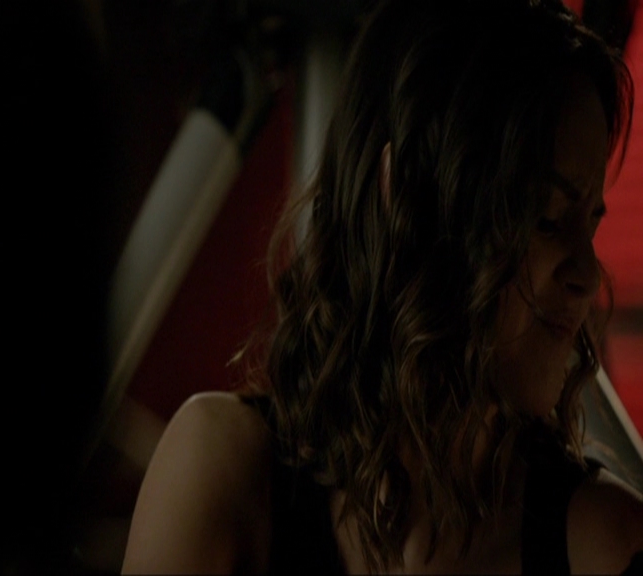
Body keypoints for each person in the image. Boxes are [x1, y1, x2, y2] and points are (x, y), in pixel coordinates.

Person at [122, 0, 643, 572]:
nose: (588, 275)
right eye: (546, 218)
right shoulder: (225, 475)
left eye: (590, 224)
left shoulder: (603, 544)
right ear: (408, 197)